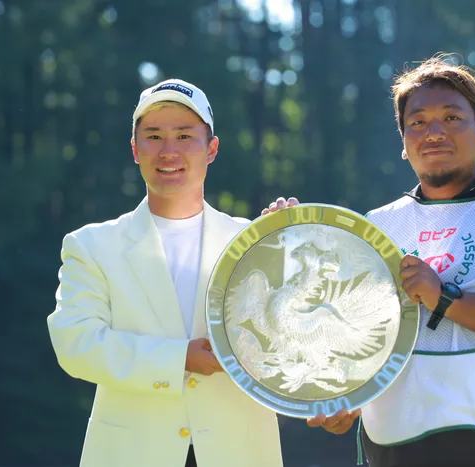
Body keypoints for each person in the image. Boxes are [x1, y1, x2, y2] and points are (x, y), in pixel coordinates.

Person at [304, 55, 475, 467]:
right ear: (403, 141)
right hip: (391, 454)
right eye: (417, 122)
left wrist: (445, 299)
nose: (434, 133)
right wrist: (346, 399)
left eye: (452, 118)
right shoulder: (376, 226)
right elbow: (359, 340)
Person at [47, 78, 296, 467]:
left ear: (211, 149)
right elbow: (77, 345)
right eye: (153, 136)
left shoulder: (254, 243)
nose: (169, 151)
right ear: (135, 149)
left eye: (184, 136)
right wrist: (179, 358)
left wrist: (292, 255)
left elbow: (289, 345)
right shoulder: (91, 245)